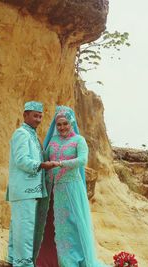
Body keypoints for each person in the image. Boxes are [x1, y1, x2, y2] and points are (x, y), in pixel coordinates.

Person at [35, 105, 107, 267]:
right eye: (59, 124)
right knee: (51, 224)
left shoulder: (78, 141)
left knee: (72, 224)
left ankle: (71, 260)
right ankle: (49, 259)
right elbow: (44, 157)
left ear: (72, 123)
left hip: (71, 189)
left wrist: (60, 163)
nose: (62, 127)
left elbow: (82, 160)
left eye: (65, 124)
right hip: (53, 189)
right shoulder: (52, 141)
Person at [6, 101, 58, 267]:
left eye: (41, 116)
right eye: (35, 115)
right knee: (25, 229)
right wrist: (42, 165)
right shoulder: (21, 134)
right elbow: (21, 160)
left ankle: (13, 260)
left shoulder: (33, 136)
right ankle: (24, 264)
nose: (38, 119)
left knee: (19, 228)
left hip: (29, 191)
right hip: (23, 190)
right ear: (25, 115)